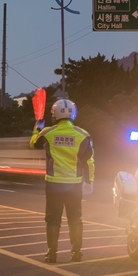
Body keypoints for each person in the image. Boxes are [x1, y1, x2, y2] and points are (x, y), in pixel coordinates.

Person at [30, 98, 95, 263]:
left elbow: (33, 144)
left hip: (53, 183)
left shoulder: (48, 133)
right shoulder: (83, 135)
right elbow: (89, 161)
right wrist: (90, 181)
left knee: (53, 219)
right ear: (73, 114)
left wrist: (37, 128)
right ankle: (76, 253)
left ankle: (51, 253)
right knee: (75, 219)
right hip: (74, 184)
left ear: (55, 114)